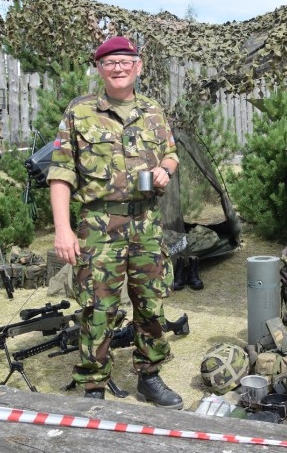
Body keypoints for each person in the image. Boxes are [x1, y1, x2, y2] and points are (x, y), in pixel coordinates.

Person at [48, 36, 183, 408]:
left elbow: (171, 153)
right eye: (110, 62)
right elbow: (60, 173)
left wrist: (164, 170)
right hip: (98, 225)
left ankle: (150, 377)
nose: (119, 67)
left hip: (147, 225)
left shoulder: (154, 111)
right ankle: (94, 386)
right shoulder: (80, 113)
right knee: (98, 306)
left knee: (151, 302)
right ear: (99, 69)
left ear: (138, 66)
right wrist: (63, 229)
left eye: (125, 61)